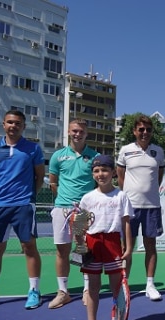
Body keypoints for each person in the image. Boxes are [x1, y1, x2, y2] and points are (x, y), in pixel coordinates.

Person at [0, 110, 45, 311]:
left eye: (18, 123)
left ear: (23, 126)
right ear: (4, 124)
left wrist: (30, 197)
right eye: (10, 122)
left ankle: (34, 291)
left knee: (29, 247)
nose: (14, 126)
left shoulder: (32, 149)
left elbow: (40, 176)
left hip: (23, 205)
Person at [77, 155, 135, 320]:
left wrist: (128, 246)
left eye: (104, 170)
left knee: (117, 288)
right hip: (92, 243)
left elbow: (126, 222)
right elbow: (80, 226)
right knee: (93, 287)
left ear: (112, 173)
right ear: (93, 174)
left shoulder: (121, 196)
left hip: (112, 243)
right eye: (96, 171)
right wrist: (80, 246)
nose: (100, 174)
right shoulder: (87, 198)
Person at [48, 119, 99, 309]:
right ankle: (63, 292)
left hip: (83, 211)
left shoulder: (94, 156)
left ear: (87, 134)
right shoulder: (58, 156)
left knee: (82, 249)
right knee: (62, 250)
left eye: (82, 131)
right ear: (69, 132)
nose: (78, 134)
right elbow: (53, 182)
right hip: (62, 209)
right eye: (75, 131)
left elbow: (98, 182)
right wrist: (64, 201)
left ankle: (87, 289)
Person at [117, 114, 165, 302]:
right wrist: (130, 194)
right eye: (141, 129)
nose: (145, 133)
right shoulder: (125, 150)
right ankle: (123, 283)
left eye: (148, 130)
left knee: (150, 247)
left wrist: (148, 192)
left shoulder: (158, 151)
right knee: (126, 247)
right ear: (134, 131)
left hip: (152, 206)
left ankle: (150, 284)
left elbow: (159, 177)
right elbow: (121, 176)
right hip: (130, 207)